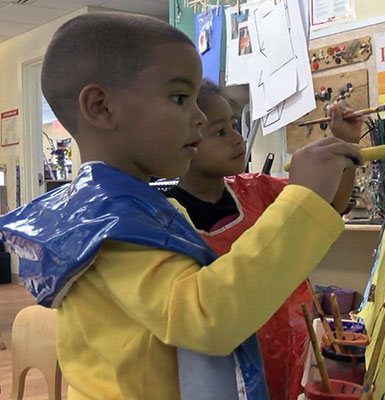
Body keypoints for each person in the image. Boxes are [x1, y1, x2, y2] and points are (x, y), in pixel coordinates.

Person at [0, 12, 361, 400]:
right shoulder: (106, 224)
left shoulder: (137, 207)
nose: (200, 116)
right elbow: (207, 318)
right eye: (179, 98)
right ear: (102, 108)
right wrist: (303, 200)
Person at [165, 80, 362, 400]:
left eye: (233, 125)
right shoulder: (167, 219)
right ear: (185, 142)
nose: (237, 138)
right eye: (220, 132)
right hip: (227, 365)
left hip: (289, 345)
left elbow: (330, 206)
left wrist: (343, 146)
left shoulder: (258, 188)